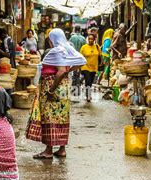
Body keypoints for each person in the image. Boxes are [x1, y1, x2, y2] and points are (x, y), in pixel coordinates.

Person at [26, 28, 85, 159]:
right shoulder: (67, 49)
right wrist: (68, 70)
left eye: (50, 39)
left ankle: (48, 150)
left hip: (54, 87)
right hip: (63, 88)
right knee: (62, 116)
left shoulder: (57, 51)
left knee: (50, 117)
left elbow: (61, 71)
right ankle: (62, 149)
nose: (50, 42)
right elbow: (79, 62)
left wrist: (51, 90)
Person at [79, 34, 101, 102]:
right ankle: (88, 95)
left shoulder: (97, 47)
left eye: (92, 39)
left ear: (94, 40)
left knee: (90, 82)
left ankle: (87, 91)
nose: (90, 40)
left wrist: (101, 64)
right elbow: (80, 57)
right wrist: (79, 67)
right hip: (85, 67)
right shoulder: (84, 47)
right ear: (87, 39)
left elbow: (100, 55)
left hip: (94, 68)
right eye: (89, 39)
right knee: (88, 81)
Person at [69, 26, 87, 97]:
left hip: (73, 57)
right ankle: (77, 89)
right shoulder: (83, 38)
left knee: (73, 73)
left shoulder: (72, 38)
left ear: (75, 30)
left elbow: (69, 47)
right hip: (80, 58)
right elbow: (85, 48)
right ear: (80, 30)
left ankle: (74, 89)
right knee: (78, 73)